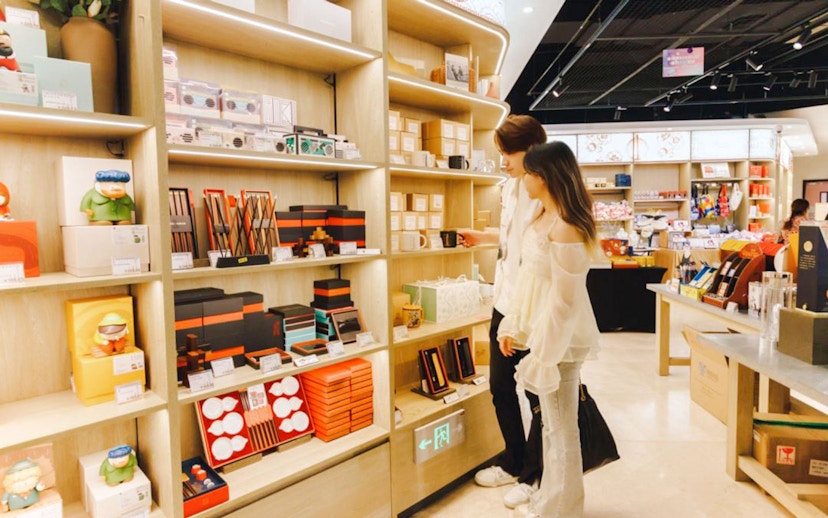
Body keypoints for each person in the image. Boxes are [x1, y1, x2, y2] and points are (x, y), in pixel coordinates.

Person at [497, 141, 600, 517]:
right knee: (550, 427)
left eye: (527, 173)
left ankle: (563, 508)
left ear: (542, 177)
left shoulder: (567, 226)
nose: (522, 179)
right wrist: (514, 325)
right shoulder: (542, 216)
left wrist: (544, 353)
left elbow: (564, 301)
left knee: (561, 428)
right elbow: (530, 281)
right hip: (542, 336)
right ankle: (553, 500)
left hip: (559, 342)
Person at [459, 115, 546, 509]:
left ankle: (534, 474)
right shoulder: (511, 187)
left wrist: (520, 319)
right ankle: (514, 460)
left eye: (507, 152)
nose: (503, 160)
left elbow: (538, 253)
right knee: (499, 385)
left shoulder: (545, 189)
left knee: (536, 392)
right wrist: (483, 236)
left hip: (530, 307)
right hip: (504, 301)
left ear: (531, 148)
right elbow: (511, 238)